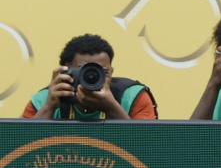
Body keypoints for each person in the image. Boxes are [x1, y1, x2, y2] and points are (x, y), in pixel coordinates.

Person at [22, 33, 157, 120]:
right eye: (83, 71)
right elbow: (17, 151)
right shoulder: (42, 100)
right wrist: (49, 107)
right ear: (63, 72)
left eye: (103, 72)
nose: (93, 78)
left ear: (112, 71)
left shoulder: (132, 96)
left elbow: (148, 148)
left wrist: (111, 107)